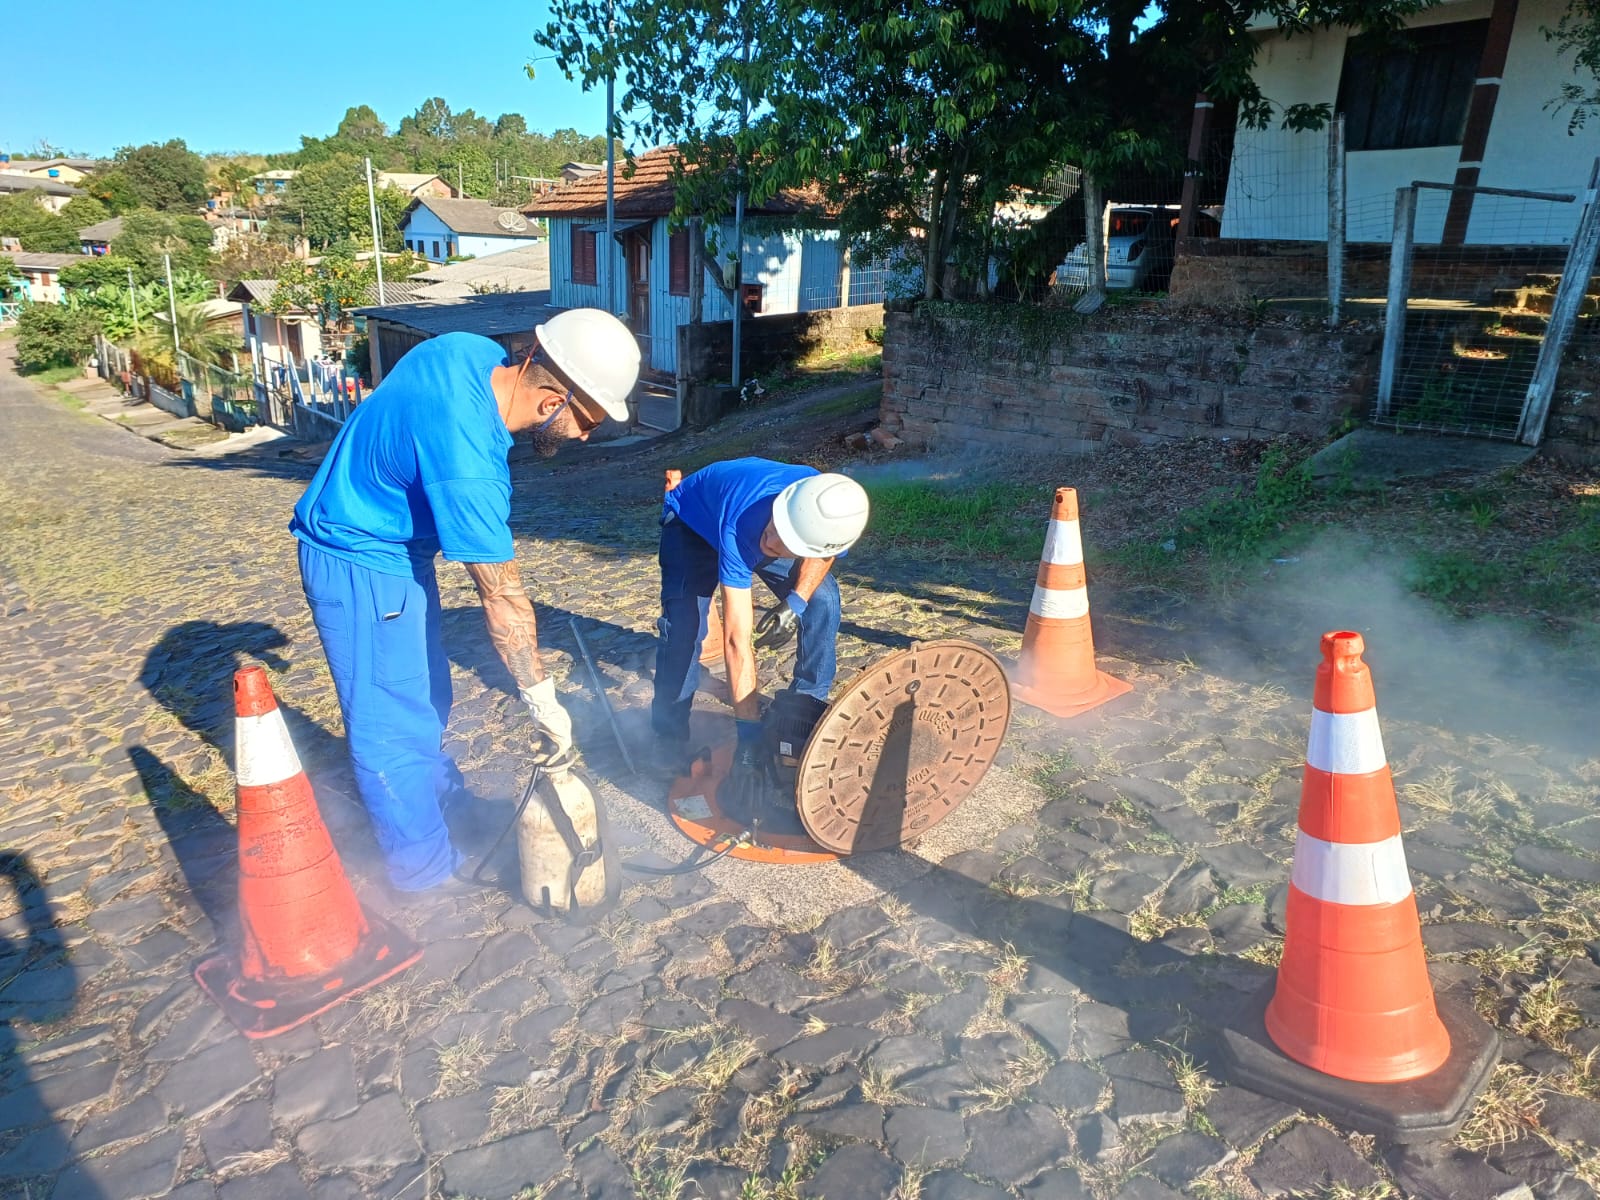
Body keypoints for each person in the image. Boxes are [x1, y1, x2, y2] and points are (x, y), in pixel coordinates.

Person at [289, 310, 640, 894]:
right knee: (390, 724)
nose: (584, 436)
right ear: (554, 398)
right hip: (358, 557)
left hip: (397, 550)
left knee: (426, 694)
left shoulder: (466, 350)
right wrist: (540, 698)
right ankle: (423, 873)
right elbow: (502, 598)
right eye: (587, 421)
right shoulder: (470, 467)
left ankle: (439, 801)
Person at [650, 458, 870, 816]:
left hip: (756, 525)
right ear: (784, 506)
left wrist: (795, 603)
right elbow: (738, 641)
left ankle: (803, 711)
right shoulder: (748, 522)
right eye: (776, 527)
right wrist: (748, 739)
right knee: (684, 631)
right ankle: (667, 733)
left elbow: (825, 555)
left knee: (823, 600)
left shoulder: (832, 510)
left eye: (786, 539)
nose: (772, 539)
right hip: (693, 522)